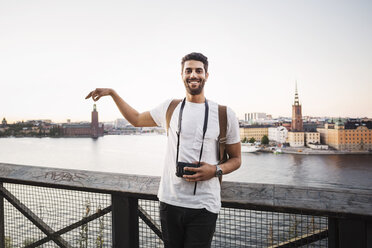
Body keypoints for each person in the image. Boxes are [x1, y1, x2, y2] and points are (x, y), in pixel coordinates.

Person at [86, 52, 241, 248]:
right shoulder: (170, 107)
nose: (193, 75)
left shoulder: (224, 114)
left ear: (206, 75)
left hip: (205, 205)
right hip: (170, 202)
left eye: (198, 71)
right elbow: (135, 119)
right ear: (182, 75)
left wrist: (215, 170)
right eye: (189, 70)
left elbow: (236, 159)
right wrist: (113, 93)